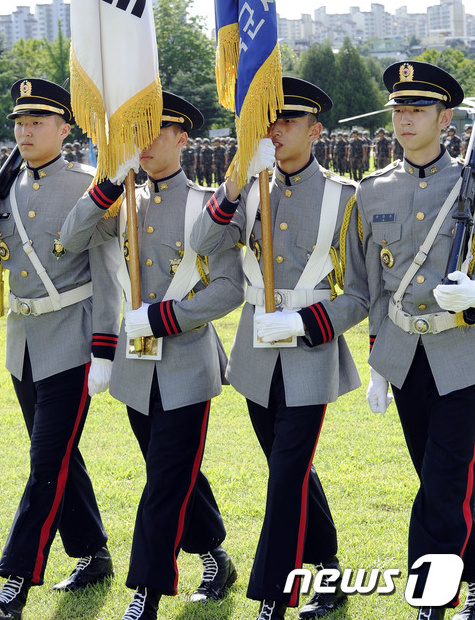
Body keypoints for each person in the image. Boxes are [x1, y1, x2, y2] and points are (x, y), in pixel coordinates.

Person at [0, 78, 122, 620]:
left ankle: (14, 586)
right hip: (23, 347)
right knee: (58, 456)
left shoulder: (89, 186)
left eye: (38, 122)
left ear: (64, 129)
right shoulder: (3, 188)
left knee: (45, 464)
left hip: (74, 343)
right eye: (20, 122)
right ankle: (93, 553)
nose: (26, 131)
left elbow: (108, 276)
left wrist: (105, 348)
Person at [59, 91, 245, 620]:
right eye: (137, 131)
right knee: (173, 469)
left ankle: (146, 590)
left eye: (157, 131)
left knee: (164, 478)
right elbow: (70, 240)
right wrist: (109, 183)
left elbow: (229, 287)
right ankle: (214, 554)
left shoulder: (205, 205)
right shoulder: (122, 200)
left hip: (187, 362)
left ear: (183, 139)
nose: (144, 141)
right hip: (135, 368)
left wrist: (167, 317)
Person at [190, 77, 369, 620]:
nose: (276, 128)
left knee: (287, 474)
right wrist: (233, 186)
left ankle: (273, 595)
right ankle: (331, 574)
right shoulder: (249, 188)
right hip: (255, 354)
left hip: (310, 350)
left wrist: (304, 323)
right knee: (290, 469)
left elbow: (360, 294)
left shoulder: (344, 197)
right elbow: (202, 244)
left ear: (315, 131)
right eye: (271, 119)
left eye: (289, 120)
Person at [356, 61, 475, 620]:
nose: (404, 119)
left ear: (444, 117)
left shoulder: (469, 183)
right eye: (399, 109)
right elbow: (375, 285)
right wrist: (380, 361)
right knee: (431, 475)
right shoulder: (374, 188)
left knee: (446, 480)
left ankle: (435, 594)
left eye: (417, 109)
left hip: (463, 353)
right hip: (406, 355)